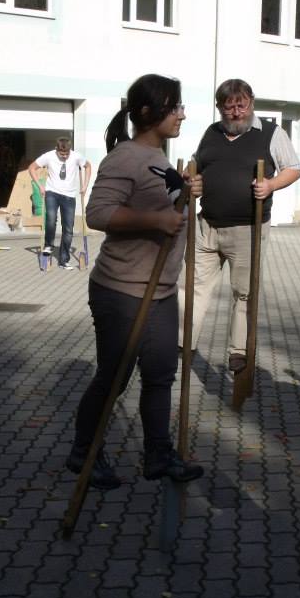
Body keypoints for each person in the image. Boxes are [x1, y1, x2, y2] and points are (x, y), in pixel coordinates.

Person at [67, 74, 204, 490]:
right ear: (148, 112)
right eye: (174, 107)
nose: (181, 114)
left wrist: (186, 191)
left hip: (160, 290)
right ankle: (84, 453)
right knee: (114, 376)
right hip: (121, 290)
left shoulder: (159, 157)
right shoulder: (124, 157)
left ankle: (158, 455)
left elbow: (163, 198)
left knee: (161, 373)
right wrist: (156, 219)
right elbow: (98, 213)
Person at [180, 78, 300, 373]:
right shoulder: (211, 133)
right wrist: (191, 179)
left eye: (241, 106)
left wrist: (270, 185)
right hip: (207, 225)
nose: (236, 113)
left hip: (248, 228)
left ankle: (238, 350)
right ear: (219, 107)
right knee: (192, 286)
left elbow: (293, 168)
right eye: (229, 107)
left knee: (244, 292)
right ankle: (183, 342)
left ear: (251, 103)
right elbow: (194, 167)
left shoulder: (271, 133)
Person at [28, 137, 91, 270]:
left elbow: (88, 166)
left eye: (67, 154)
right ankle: (48, 245)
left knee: (68, 228)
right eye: (62, 154)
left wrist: (85, 185)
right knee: (51, 218)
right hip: (52, 192)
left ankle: (64, 260)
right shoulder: (48, 156)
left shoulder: (76, 156)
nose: (64, 156)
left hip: (69, 196)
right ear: (56, 149)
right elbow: (32, 168)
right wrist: (40, 186)